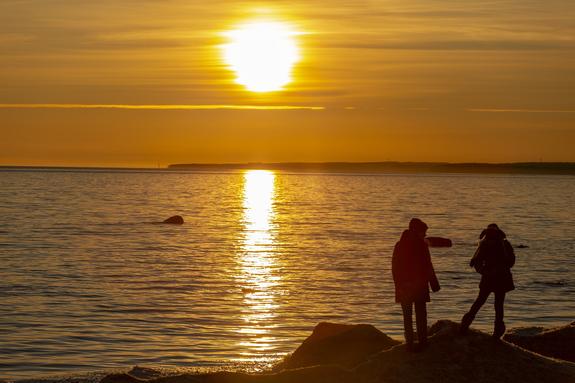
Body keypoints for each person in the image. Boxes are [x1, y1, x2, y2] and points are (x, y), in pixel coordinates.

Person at [392, 218, 441, 351]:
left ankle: (409, 345)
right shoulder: (421, 246)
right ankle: (422, 343)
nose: (425, 235)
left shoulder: (400, 245)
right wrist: (434, 284)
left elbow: (395, 268)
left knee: (407, 317)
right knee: (421, 316)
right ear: (416, 231)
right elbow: (428, 266)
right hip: (419, 286)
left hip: (404, 287)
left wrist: (398, 285)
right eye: (423, 232)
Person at [460, 223, 515, 338]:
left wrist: (485, 271)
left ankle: (464, 325)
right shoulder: (504, 244)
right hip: (501, 278)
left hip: (490, 278)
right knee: (498, 305)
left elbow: (476, 262)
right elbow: (511, 262)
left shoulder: (484, 244)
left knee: (480, 302)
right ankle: (497, 333)